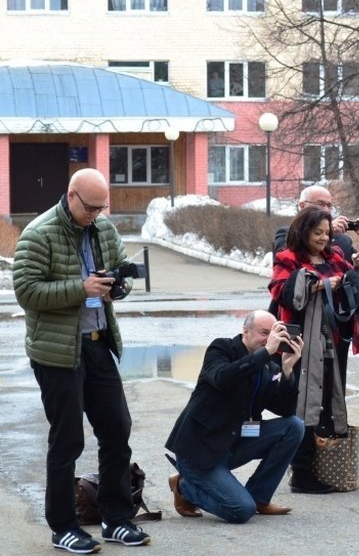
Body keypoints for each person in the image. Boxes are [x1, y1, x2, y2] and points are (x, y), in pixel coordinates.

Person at [12, 168, 151, 553]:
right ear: (71, 196)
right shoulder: (39, 233)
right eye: (90, 207)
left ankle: (117, 519)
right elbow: (26, 292)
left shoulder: (102, 229)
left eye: (101, 206)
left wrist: (117, 285)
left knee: (117, 431)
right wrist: (81, 288)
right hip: (57, 352)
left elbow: (119, 273)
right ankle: (63, 527)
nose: (95, 213)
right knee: (67, 440)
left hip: (97, 343)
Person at [164, 311, 305, 522]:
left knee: (294, 426)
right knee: (240, 510)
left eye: (274, 333)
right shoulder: (221, 348)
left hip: (234, 443)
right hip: (200, 451)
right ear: (245, 331)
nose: (270, 339)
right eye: (264, 333)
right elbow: (223, 378)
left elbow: (285, 410)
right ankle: (184, 487)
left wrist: (287, 370)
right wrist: (265, 352)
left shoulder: (269, 366)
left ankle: (259, 497)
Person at [269, 206, 356, 493]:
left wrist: (358, 265)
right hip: (299, 343)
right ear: (303, 231)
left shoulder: (334, 257)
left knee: (324, 401)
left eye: (327, 233)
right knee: (302, 402)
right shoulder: (288, 258)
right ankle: (301, 472)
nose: (323, 238)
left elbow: (352, 283)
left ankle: (322, 467)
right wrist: (320, 285)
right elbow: (280, 292)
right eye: (317, 232)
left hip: (329, 340)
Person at [273, 184, 359, 389]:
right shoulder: (286, 235)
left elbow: (356, 277)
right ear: (302, 205)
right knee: (302, 383)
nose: (324, 238)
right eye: (320, 204)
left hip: (335, 326)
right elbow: (286, 282)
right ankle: (304, 421)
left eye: (329, 205)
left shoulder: (339, 245)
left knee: (335, 380)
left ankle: (336, 420)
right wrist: (321, 284)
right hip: (301, 327)